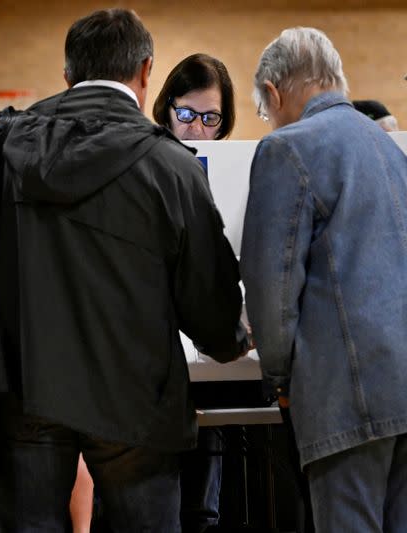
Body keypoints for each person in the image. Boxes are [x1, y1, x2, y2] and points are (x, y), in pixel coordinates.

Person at [0, 8, 250, 531]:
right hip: (138, 400)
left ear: (68, 74)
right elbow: (209, 297)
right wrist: (232, 341)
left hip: (27, 390)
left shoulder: (3, 147)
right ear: (146, 70)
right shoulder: (173, 167)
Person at [241, 27, 407, 532]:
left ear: (274, 91)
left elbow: (272, 288)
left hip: (347, 398)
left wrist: (279, 376)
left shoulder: (287, 150)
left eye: (265, 111)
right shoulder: (391, 152)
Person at [152, 53, 235, 533]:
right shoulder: (145, 162)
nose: (197, 130)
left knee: (203, 505)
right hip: (154, 355)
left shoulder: (230, 169)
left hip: (206, 353)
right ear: (167, 108)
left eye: (210, 119)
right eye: (186, 115)